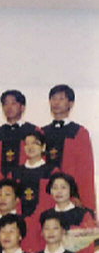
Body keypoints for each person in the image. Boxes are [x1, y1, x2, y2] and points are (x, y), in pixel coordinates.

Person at [41, 84, 95, 212]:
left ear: (70, 103)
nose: (56, 103)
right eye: (53, 98)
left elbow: (85, 170)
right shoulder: (42, 132)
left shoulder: (79, 132)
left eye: (61, 98)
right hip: (45, 195)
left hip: (71, 197)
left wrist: (78, 196)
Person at [11, 130, 54, 218]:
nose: (30, 147)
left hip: (45, 218)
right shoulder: (15, 172)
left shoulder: (51, 171)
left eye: (35, 143)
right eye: (27, 144)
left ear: (43, 147)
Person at [0, 90, 36, 176]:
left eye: (13, 103)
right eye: (6, 104)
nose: (9, 107)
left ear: (22, 107)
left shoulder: (33, 131)